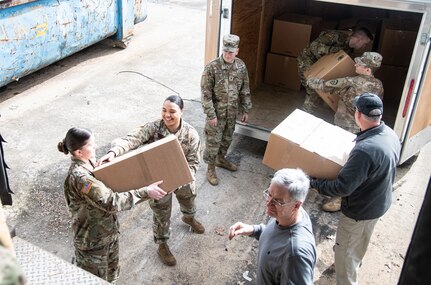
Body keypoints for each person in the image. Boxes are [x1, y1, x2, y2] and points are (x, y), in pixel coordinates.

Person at [98, 95, 204, 267]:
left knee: (189, 198)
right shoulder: (154, 128)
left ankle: (189, 218)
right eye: (164, 110)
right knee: (161, 213)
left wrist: (180, 179)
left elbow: (194, 162)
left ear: (181, 112)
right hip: (158, 181)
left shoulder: (191, 134)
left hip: (182, 177)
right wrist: (113, 152)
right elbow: (132, 139)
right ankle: (162, 244)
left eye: (172, 112)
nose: (167, 115)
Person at [310, 93, 401, 285]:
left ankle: (346, 276)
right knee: (360, 241)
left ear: (358, 115)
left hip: (360, 210)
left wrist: (315, 183)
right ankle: (351, 261)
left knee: (345, 251)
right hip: (379, 202)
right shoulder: (389, 134)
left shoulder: (364, 149)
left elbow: (342, 187)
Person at [58, 127, 167, 283]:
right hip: (93, 244)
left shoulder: (88, 163)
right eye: (91, 145)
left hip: (106, 236)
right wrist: (145, 192)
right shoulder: (81, 178)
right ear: (78, 152)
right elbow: (110, 202)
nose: (96, 147)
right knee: (94, 280)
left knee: (111, 276)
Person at [307, 51, 384, 212]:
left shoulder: (351, 81)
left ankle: (339, 195)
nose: (355, 64)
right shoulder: (378, 85)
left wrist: (309, 77)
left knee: (339, 159)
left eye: (360, 64)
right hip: (362, 128)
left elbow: (321, 85)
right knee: (351, 161)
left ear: (368, 69)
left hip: (345, 127)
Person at [228, 168, 316, 284]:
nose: (269, 203)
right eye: (269, 194)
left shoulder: (295, 255)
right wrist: (255, 230)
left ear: (296, 205)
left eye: (278, 201)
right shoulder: (287, 215)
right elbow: (278, 236)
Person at [201, 34, 252, 186]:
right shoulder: (212, 67)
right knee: (213, 142)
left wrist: (246, 109)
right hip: (216, 114)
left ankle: (221, 159)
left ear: (237, 51)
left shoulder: (241, 66)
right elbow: (205, 94)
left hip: (231, 113)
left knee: (227, 139)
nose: (228, 54)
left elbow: (245, 89)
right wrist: (211, 114)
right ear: (222, 49)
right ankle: (210, 168)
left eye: (231, 51)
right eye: (225, 51)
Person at [298, 28, 373, 113]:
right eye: (365, 44)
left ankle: (313, 109)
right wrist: (335, 51)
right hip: (308, 61)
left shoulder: (349, 48)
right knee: (313, 89)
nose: (364, 47)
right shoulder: (336, 36)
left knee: (323, 86)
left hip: (321, 65)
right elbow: (314, 46)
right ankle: (305, 113)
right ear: (359, 39)